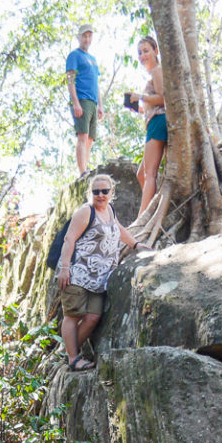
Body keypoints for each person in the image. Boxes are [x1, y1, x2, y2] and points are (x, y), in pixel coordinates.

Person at [56, 174, 146, 372]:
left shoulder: (109, 210)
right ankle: (73, 358)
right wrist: (64, 269)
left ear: (111, 193)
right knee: (72, 315)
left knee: (93, 317)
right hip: (77, 274)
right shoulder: (85, 212)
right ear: (91, 193)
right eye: (96, 192)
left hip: (100, 279)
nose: (100, 195)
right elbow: (69, 240)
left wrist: (136, 244)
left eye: (105, 191)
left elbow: (118, 228)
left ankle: (70, 351)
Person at [128, 36, 167, 214]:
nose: (142, 55)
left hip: (159, 123)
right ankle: (152, 209)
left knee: (149, 173)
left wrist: (140, 96)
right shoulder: (153, 74)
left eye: (146, 50)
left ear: (155, 51)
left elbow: (163, 98)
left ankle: (142, 217)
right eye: (140, 52)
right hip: (153, 121)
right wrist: (139, 107)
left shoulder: (158, 71)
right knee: (141, 174)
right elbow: (154, 103)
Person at [66, 23, 104, 178]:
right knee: (82, 135)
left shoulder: (93, 59)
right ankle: (82, 171)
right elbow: (70, 79)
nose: (87, 39)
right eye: (84, 36)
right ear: (79, 37)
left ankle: (86, 168)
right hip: (81, 99)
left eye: (89, 36)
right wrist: (75, 102)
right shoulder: (74, 55)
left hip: (93, 101)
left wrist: (100, 105)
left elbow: (97, 83)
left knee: (90, 138)